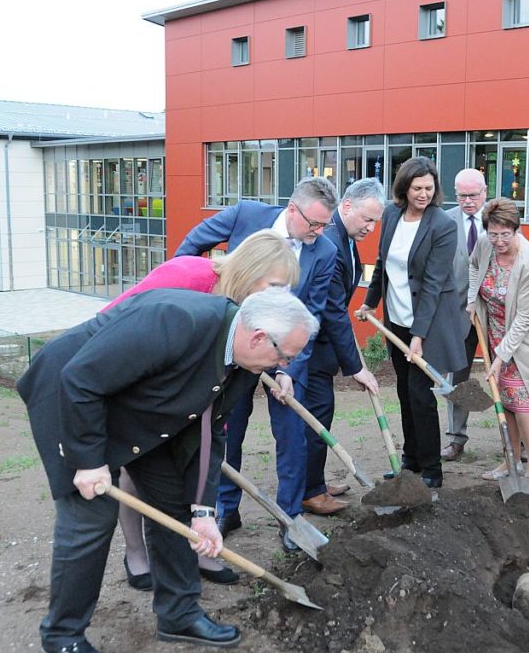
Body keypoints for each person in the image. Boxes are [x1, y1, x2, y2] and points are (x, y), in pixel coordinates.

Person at [18, 287, 318, 653]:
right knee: (91, 517)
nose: (282, 366)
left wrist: (204, 512)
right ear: (258, 337)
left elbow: (209, 434)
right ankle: (63, 636)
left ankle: (179, 613)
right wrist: (88, 461)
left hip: (141, 411)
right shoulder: (176, 320)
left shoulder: (244, 364)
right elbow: (81, 379)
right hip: (71, 398)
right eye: (283, 357)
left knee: (172, 502)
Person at [101, 231, 300, 589]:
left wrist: (280, 368)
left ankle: (197, 550)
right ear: (250, 270)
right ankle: (136, 553)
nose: (278, 297)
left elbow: (255, 342)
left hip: (194, 394)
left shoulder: (246, 308)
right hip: (140, 388)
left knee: (198, 459)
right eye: (274, 285)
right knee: (137, 469)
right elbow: (116, 322)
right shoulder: (189, 276)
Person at [174, 177, 339, 552]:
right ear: (292, 210)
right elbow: (191, 246)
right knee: (227, 430)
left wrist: (287, 370)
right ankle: (225, 510)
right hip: (233, 345)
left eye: (324, 225)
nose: (318, 232)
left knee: (292, 435)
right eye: (313, 223)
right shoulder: (247, 215)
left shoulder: (325, 251)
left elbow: (310, 315)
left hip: (283, 356)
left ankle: (290, 517)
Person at [356, 157, 467, 488]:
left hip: (428, 324)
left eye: (429, 188)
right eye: (417, 188)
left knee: (421, 395)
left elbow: (433, 284)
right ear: (404, 187)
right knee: (404, 392)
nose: (423, 194)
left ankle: (432, 469)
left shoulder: (443, 226)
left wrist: (419, 335)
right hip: (397, 321)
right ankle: (411, 460)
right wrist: (369, 301)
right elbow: (381, 262)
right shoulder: (391, 214)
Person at [300, 178, 384, 515]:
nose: (371, 227)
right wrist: (357, 368)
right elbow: (334, 313)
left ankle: (315, 483)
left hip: (323, 348)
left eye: (375, 221)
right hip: (311, 348)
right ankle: (309, 492)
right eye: (366, 219)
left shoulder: (344, 238)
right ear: (346, 207)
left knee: (323, 414)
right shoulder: (331, 242)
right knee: (316, 416)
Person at [468, 199, 529, 482]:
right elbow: (473, 267)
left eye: (505, 234)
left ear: (516, 229)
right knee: (504, 396)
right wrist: (472, 301)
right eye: (494, 233)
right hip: (495, 328)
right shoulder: (484, 244)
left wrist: (501, 357)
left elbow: (526, 318)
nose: (499, 240)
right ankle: (511, 460)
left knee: (523, 398)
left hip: (527, 339)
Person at [440, 168, 487, 461]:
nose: (468, 201)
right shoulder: (445, 222)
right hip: (458, 315)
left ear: (485, 192)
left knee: (509, 377)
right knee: (457, 377)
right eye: (462, 196)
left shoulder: (499, 218)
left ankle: (518, 441)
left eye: (473, 195)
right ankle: (456, 438)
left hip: (495, 314)